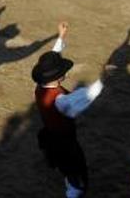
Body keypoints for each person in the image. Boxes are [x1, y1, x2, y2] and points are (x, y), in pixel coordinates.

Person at [32, 22, 104, 198]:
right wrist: (104, 80)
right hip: (65, 145)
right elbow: (85, 96)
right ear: (59, 76)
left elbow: (50, 61)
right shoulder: (60, 100)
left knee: (66, 170)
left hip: (51, 137)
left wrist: (61, 37)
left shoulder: (40, 87)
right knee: (77, 181)